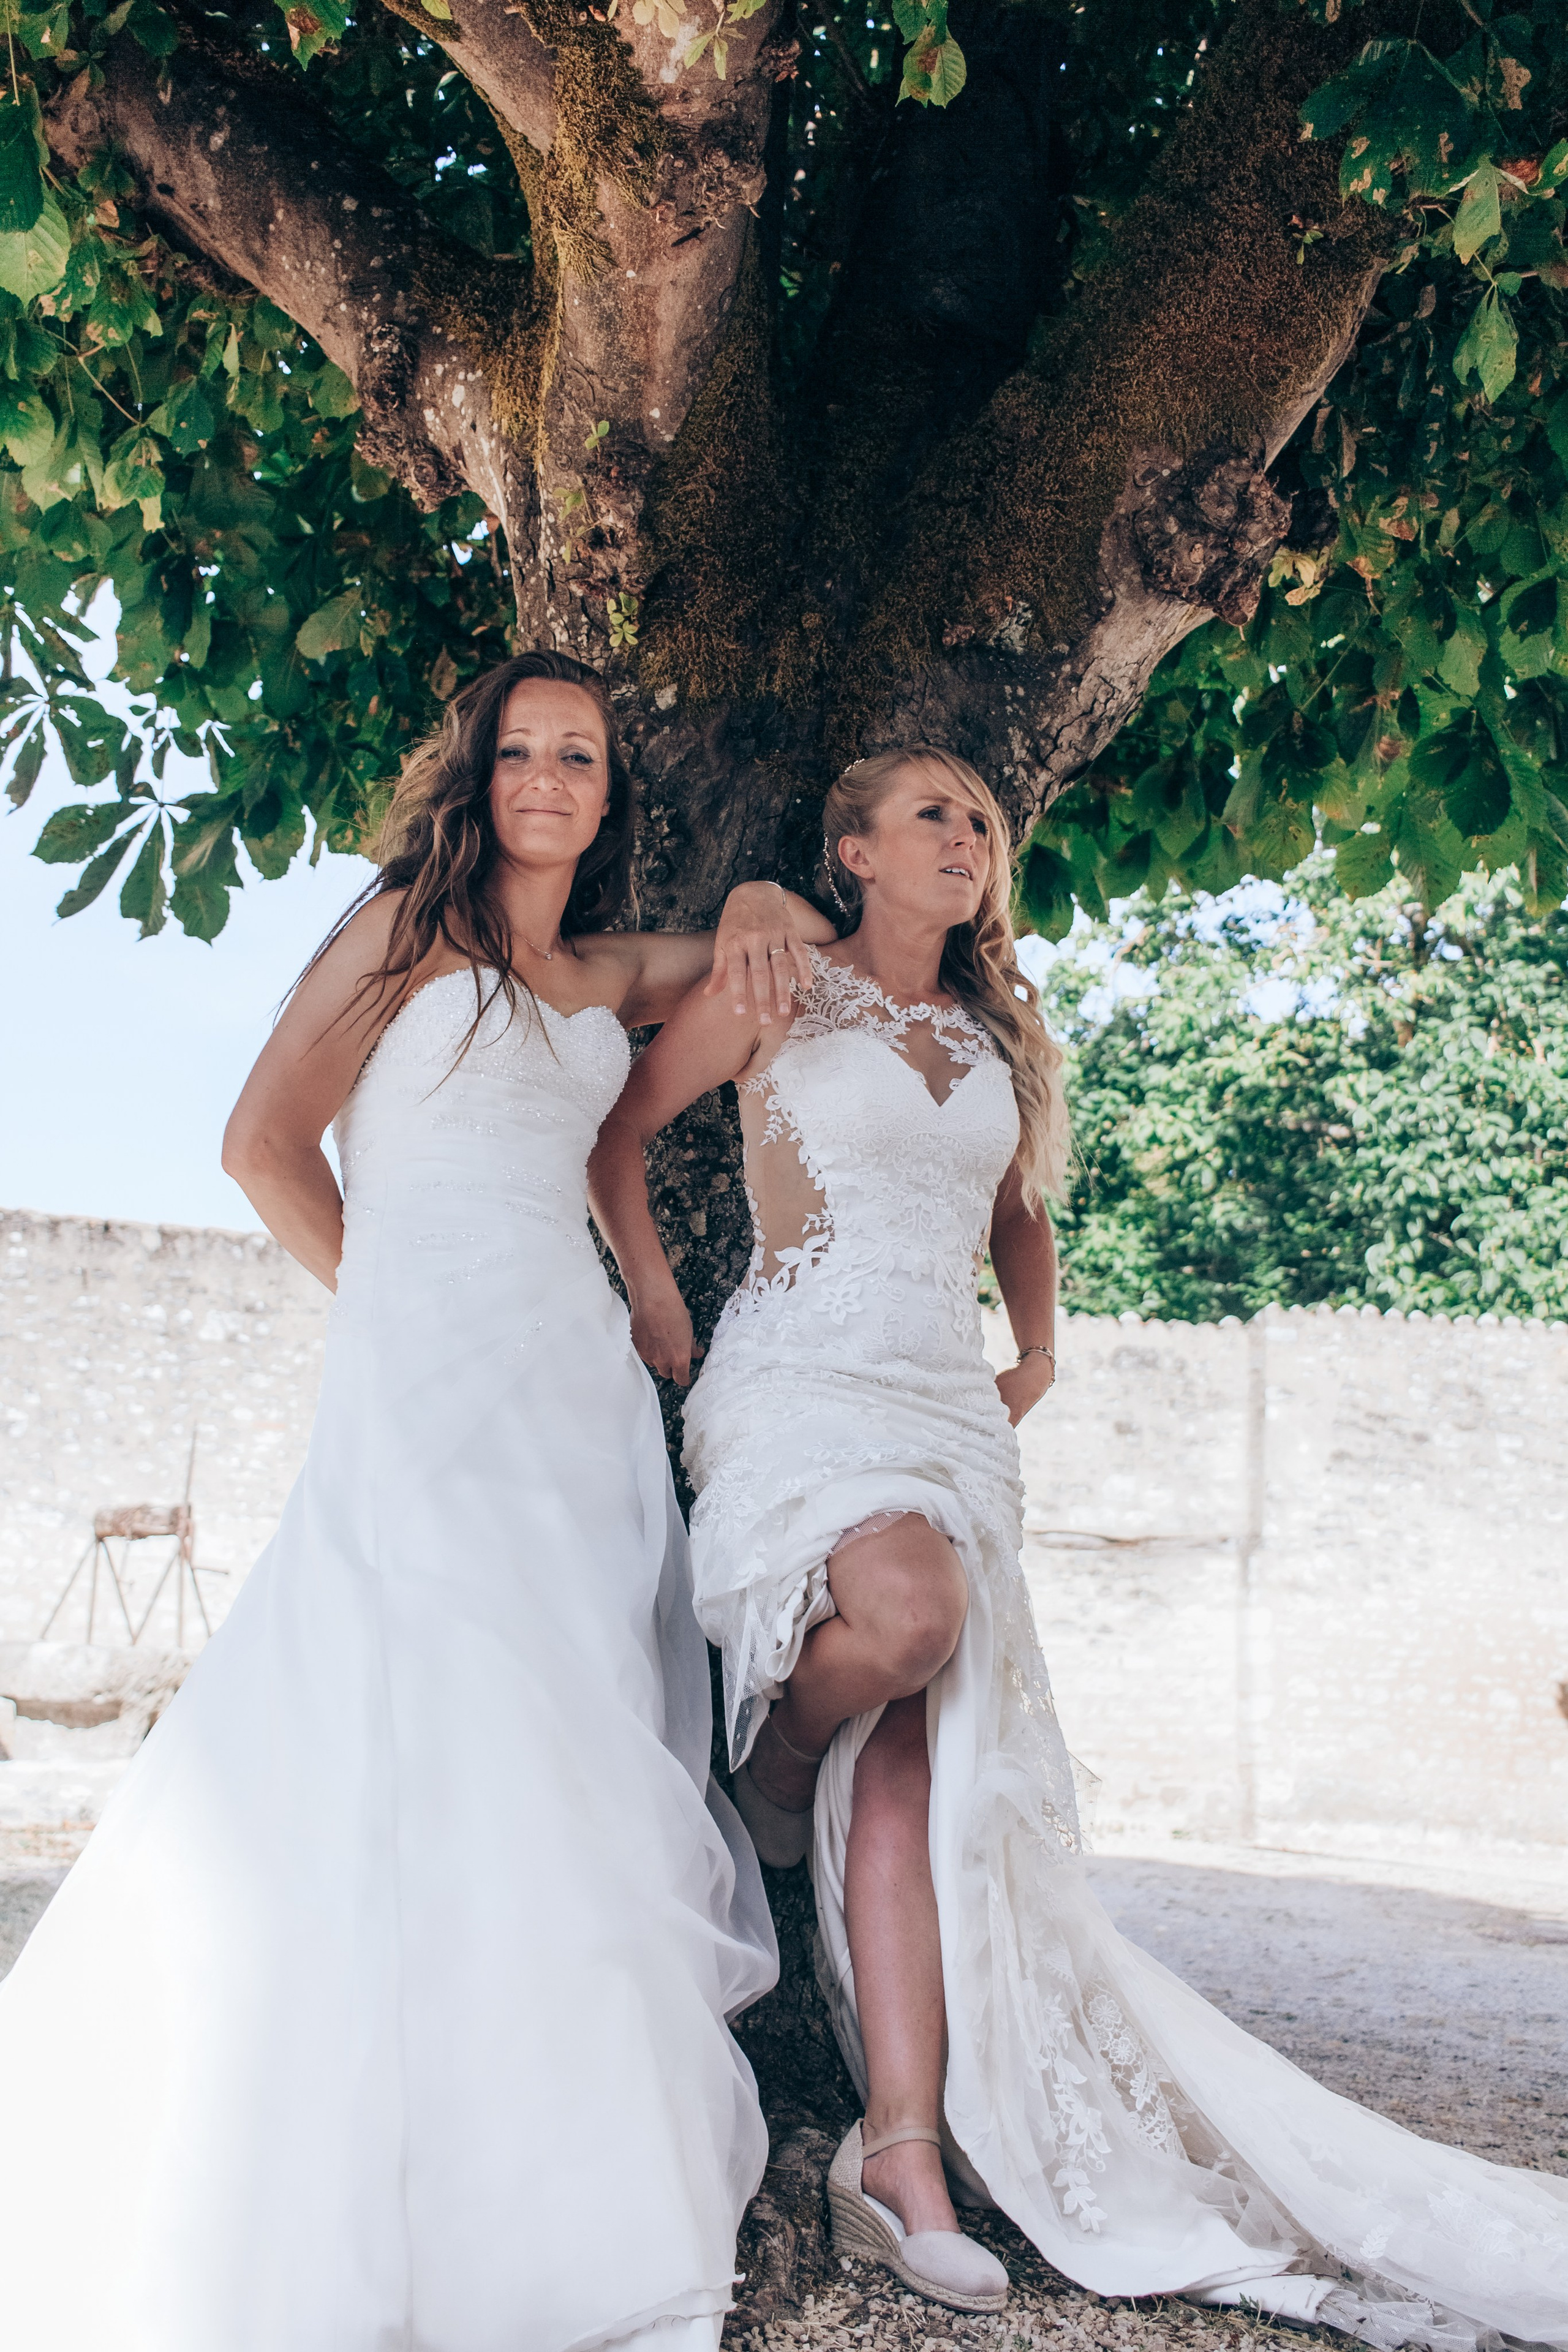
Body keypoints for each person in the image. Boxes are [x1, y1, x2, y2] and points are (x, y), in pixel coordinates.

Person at [588, 744, 1568, 2347]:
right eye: (934, 813)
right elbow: (619, 1129)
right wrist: (654, 1293)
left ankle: (900, 2155)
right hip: (799, 1384)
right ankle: (771, 1775)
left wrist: (1037, 1349)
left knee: (922, 1757)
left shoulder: (992, 1036)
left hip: (947, 1407)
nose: (968, 836)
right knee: (908, 1617)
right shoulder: (783, 983)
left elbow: (1013, 1208)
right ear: (854, 850)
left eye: (981, 820)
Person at [0, 649, 839, 2352]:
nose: (548, 779)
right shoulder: (403, 928)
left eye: (581, 756)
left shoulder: (604, 971)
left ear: (609, 792)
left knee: (571, 1727)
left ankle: (542, 2143)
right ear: (480, 770)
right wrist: (391, 1309)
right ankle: (362, 2155)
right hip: (427, 1373)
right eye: (522, 750)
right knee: (415, 1707)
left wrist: (759, 896)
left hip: (578, 1394)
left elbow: (799, 940)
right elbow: (260, 1143)